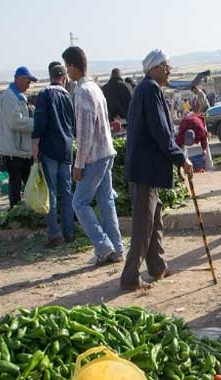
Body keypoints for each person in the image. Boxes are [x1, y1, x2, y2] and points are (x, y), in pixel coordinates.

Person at [121, 49, 194, 290]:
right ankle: (130, 277)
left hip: (146, 167)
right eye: (165, 66)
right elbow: (161, 131)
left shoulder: (146, 89)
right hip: (145, 168)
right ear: (154, 68)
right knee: (144, 224)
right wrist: (180, 158)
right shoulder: (150, 89)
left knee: (155, 217)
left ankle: (157, 266)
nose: (169, 70)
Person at [63, 46, 124, 265]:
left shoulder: (82, 92)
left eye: (67, 67)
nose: (67, 72)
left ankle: (103, 245)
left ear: (72, 66)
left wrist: (78, 164)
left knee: (79, 203)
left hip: (94, 156)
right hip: (106, 151)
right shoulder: (95, 88)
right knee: (106, 202)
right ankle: (116, 248)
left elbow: (85, 132)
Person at [32, 64, 76, 247]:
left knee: (49, 191)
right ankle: (69, 232)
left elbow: (40, 122)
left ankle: (54, 234)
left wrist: (35, 144)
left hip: (49, 149)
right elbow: (72, 123)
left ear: (50, 76)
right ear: (64, 78)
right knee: (66, 192)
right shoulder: (68, 96)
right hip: (66, 149)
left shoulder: (44, 94)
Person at [0, 66, 36, 208]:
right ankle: (15, 211)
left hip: (21, 149)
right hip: (13, 150)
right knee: (15, 183)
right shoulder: (9, 97)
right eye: (28, 81)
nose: (29, 85)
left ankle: (29, 208)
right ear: (20, 79)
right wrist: (36, 123)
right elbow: (15, 122)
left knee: (26, 181)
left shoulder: (19, 97)